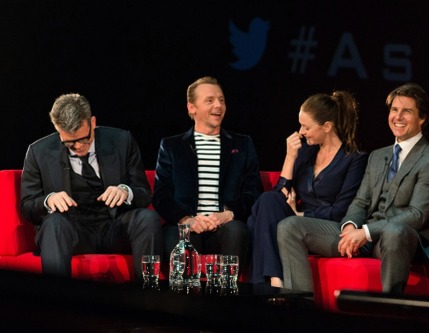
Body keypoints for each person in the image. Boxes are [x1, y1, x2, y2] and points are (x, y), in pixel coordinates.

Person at [277, 83, 429, 294]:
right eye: (394, 110)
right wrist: (350, 227)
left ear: (421, 118)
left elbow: (417, 215)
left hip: (398, 239)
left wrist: (366, 232)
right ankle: (301, 307)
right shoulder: (378, 156)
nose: (398, 117)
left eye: (407, 111)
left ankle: (389, 312)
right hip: (364, 233)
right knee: (290, 226)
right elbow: (360, 202)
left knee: (395, 232)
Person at [20, 93, 163, 280]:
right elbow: (27, 206)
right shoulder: (38, 152)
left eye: (84, 139)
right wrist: (48, 200)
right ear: (58, 130)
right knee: (53, 223)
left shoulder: (122, 141)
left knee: (147, 218)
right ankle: (57, 302)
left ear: (92, 122)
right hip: (72, 232)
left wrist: (125, 192)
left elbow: (144, 194)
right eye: (69, 143)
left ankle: (147, 295)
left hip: (114, 228)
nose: (78, 147)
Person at [248, 91, 368, 287]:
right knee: (268, 200)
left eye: (306, 127)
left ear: (327, 127)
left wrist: (300, 214)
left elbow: (341, 210)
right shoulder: (306, 152)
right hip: (298, 219)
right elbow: (280, 196)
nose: (300, 131)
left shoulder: (355, 159)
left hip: (330, 225)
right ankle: (275, 280)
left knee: (255, 220)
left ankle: (264, 283)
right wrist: (290, 156)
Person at [152, 76, 261, 272]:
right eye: (209, 100)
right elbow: (161, 196)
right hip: (186, 224)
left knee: (236, 231)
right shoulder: (172, 146)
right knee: (179, 237)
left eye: (221, 100)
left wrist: (227, 215)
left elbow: (253, 192)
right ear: (192, 108)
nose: (218, 105)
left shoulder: (242, 144)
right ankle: (182, 300)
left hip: (225, 226)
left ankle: (229, 298)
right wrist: (187, 219)